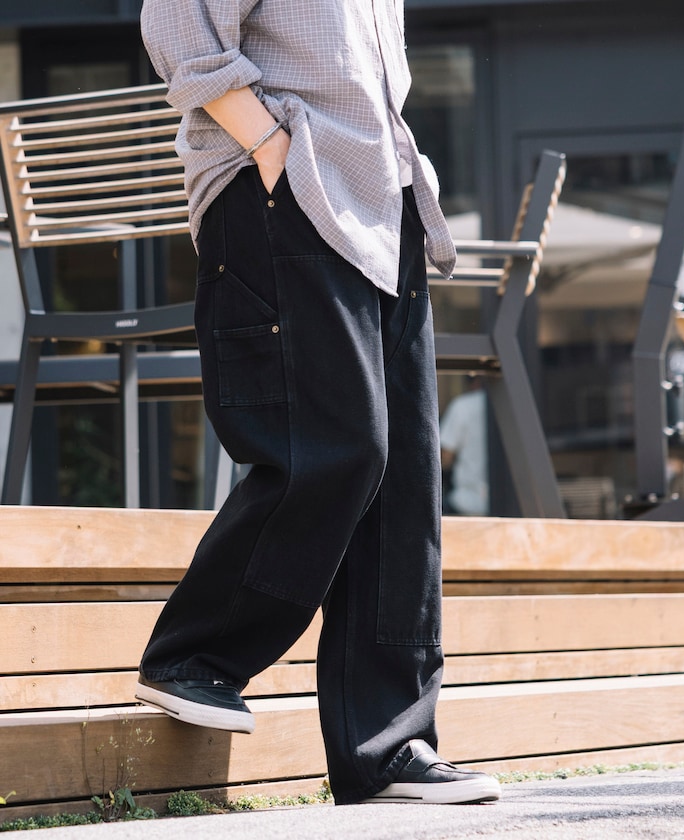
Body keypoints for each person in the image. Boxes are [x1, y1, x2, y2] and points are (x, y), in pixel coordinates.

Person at [135, 0, 501, 807]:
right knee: (335, 447)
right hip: (286, 191)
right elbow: (180, 28)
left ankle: (387, 747)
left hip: (382, 208)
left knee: (403, 483)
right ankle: (195, 655)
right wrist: (272, 147)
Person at [440, 380, 490, 516]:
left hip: (466, 502)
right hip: (510, 503)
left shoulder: (463, 405)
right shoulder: (516, 405)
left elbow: (445, 457)